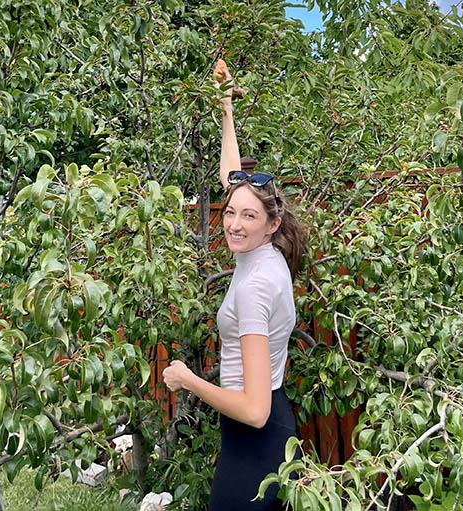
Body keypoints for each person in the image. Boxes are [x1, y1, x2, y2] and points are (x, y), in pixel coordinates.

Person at [161, 60, 306, 510]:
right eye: (229, 212)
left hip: (257, 440)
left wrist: (187, 380)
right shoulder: (270, 252)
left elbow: (254, 408)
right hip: (269, 438)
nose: (234, 225)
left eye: (248, 216)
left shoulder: (253, 286)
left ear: (271, 223)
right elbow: (232, 178)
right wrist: (225, 107)